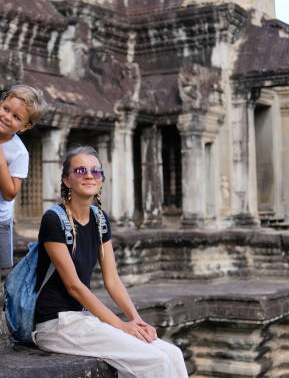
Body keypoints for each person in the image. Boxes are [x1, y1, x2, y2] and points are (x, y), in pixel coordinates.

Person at [32, 146, 189, 378]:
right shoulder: (54, 220)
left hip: (83, 321)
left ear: (102, 179)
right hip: (56, 324)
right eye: (80, 170)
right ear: (66, 180)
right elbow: (73, 286)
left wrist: (136, 320)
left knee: (173, 354)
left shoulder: (100, 220)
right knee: (155, 361)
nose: (89, 175)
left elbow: (112, 279)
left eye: (96, 171)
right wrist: (121, 325)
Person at [0, 85, 46, 269]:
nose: (6, 117)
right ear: (0, 103)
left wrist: (0, 160)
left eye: (16, 117)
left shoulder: (19, 153)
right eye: (5, 109)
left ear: (25, 126)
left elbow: (10, 193)